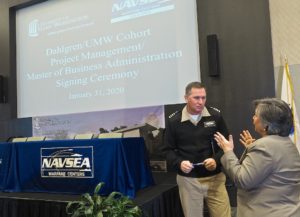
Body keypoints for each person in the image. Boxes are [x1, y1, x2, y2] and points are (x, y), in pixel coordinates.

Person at [214, 98, 300, 217]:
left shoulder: (264, 147)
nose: (253, 119)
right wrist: (252, 149)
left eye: (255, 116)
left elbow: (242, 180)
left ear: (266, 125)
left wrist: (228, 152)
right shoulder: (287, 143)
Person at [163, 81, 231, 217]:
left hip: (215, 179)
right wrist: (179, 163)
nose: (201, 102)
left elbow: (226, 145)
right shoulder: (174, 121)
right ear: (186, 98)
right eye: (196, 98)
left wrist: (215, 160)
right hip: (189, 181)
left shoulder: (215, 116)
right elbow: (167, 150)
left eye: (203, 97)